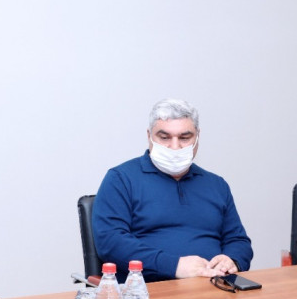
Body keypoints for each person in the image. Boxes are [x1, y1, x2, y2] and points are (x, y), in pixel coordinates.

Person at [92, 98, 253, 282]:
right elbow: (110, 243)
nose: (175, 147)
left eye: (184, 138)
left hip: (215, 286)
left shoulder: (217, 185)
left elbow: (239, 241)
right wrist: (174, 266)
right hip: (148, 290)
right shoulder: (120, 179)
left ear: (197, 137)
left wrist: (231, 259)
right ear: (149, 136)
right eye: (164, 137)